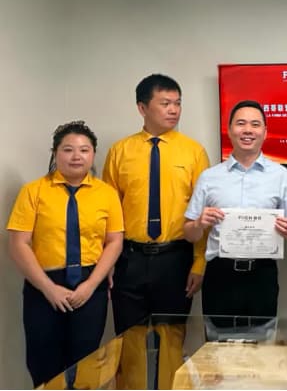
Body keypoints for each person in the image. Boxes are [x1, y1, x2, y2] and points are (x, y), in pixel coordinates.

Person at [102, 74, 210, 389]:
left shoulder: (193, 152)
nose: (174, 110)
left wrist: (199, 262)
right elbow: (108, 213)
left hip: (175, 258)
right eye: (165, 103)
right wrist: (107, 263)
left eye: (177, 103)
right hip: (129, 258)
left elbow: (203, 213)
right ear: (142, 107)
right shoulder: (120, 151)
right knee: (129, 338)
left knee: (172, 337)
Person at [6, 120, 124, 388]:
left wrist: (91, 284)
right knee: (43, 363)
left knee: (85, 363)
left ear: (93, 154)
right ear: (55, 153)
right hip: (44, 285)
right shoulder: (34, 191)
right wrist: (49, 289)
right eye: (68, 149)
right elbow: (18, 244)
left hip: (89, 285)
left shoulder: (106, 194)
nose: (76, 156)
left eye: (84, 150)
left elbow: (114, 241)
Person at [184, 100, 287, 328]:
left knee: (262, 344)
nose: (248, 130)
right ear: (229, 130)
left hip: (262, 274)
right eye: (241, 123)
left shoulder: (281, 175)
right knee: (217, 345)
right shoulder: (209, 177)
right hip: (220, 274)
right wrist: (199, 223)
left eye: (255, 125)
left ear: (265, 132)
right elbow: (189, 234)